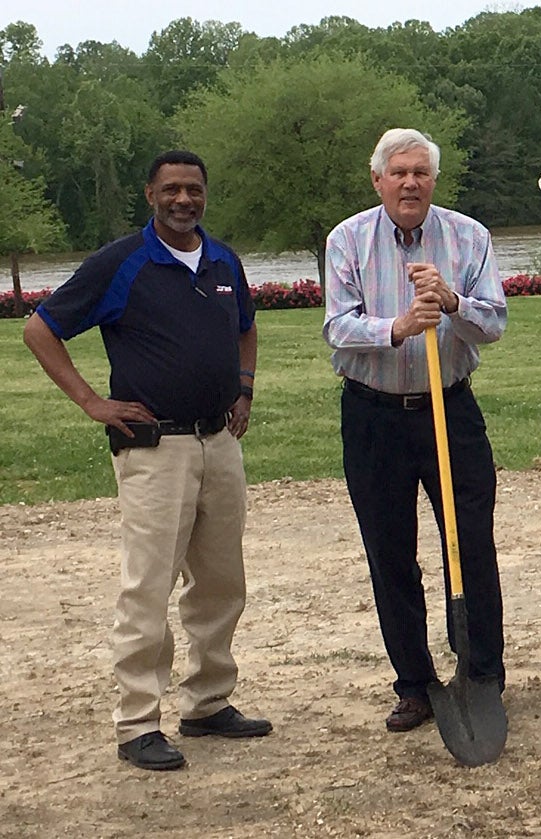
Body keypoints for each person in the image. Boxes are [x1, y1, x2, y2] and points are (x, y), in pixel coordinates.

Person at [22, 150, 270, 771]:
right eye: (171, 190)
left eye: (194, 190)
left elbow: (246, 326)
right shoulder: (121, 263)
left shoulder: (223, 260)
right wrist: (91, 402)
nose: (183, 200)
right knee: (148, 587)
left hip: (220, 443)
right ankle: (137, 722)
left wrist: (243, 388)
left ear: (205, 195)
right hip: (154, 448)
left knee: (220, 583)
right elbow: (40, 328)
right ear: (150, 194)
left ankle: (208, 703)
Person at [323, 128, 508, 733]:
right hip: (374, 415)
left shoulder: (468, 237)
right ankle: (415, 683)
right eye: (398, 172)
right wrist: (399, 326)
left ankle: (482, 675)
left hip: (449, 410)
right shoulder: (347, 240)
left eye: (420, 172)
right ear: (377, 180)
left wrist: (452, 302)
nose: (410, 183)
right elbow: (338, 329)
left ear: (434, 180)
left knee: (470, 544)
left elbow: (495, 322)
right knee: (390, 553)